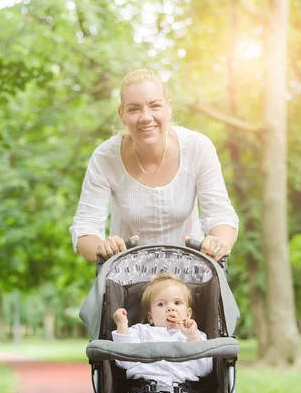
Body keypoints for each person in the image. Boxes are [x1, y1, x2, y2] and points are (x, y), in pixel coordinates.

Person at [69, 69, 238, 263]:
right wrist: (103, 250)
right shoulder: (105, 158)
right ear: (122, 114)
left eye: (154, 106)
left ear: (168, 108)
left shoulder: (198, 147)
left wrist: (217, 244)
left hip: (191, 277)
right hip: (128, 280)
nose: (146, 117)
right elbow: (85, 228)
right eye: (134, 109)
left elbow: (220, 215)